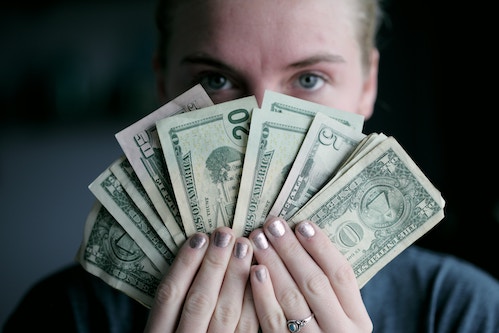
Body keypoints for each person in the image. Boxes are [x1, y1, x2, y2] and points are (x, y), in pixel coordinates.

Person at [4, 0, 499, 332]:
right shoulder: (65, 316)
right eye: (216, 78)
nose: (260, 121)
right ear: (161, 83)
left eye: (308, 78)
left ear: (368, 84)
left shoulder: (466, 311)